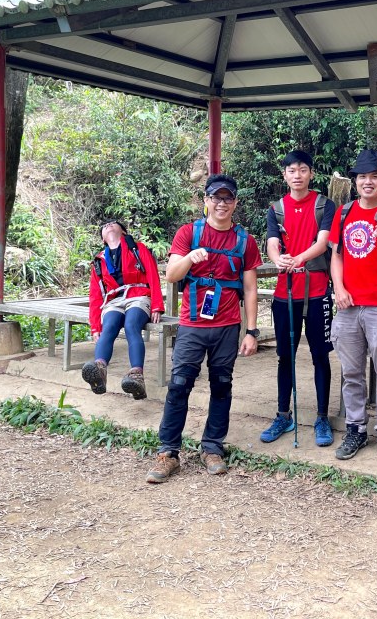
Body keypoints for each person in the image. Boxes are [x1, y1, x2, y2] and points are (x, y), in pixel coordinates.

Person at [145, 174, 261, 483]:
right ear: (206, 201)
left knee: (221, 385)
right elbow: (171, 275)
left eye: (228, 198)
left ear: (235, 202)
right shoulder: (188, 233)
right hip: (192, 324)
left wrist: (252, 332)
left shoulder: (245, 241)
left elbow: (250, 289)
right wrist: (189, 258)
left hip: (227, 325)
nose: (222, 203)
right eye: (216, 198)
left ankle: (212, 448)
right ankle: (168, 453)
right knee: (179, 384)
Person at [329, 148, 377, 467]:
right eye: (362, 176)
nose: (367, 182)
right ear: (355, 181)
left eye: (374, 176)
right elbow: (336, 255)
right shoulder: (344, 213)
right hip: (349, 305)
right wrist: (339, 288)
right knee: (351, 372)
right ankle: (356, 428)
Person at [261, 150, 337, 447]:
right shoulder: (276, 209)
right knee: (285, 356)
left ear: (311, 173)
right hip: (286, 292)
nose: (297, 175)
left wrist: (299, 259)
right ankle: (283, 414)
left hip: (317, 290)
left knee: (320, 356)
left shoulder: (325, 205)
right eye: (291, 170)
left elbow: (323, 242)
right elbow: (272, 242)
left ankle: (322, 417)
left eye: (302, 169)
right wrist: (278, 259)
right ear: (284, 175)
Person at [83, 220, 164, 400]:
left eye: (113, 223)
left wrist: (157, 305)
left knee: (131, 326)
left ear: (124, 232)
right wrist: (95, 326)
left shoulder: (138, 249)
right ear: (103, 239)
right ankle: (99, 370)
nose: (108, 225)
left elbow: (153, 275)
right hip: (114, 300)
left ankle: (136, 376)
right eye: (105, 226)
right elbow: (95, 296)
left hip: (139, 294)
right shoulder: (99, 260)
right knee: (109, 327)